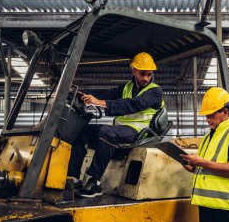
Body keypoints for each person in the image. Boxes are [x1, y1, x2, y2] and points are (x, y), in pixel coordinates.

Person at [68, 52, 164, 198]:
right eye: (142, 74)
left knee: (106, 132)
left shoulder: (155, 92)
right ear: (134, 71)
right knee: (81, 131)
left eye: (149, 75)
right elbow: (106, 93)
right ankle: (73, 178)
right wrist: (80, 93)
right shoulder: (126, 88)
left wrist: (99, 102)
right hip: (122, 129)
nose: (146, 78)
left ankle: (94, 182)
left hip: (139, 131)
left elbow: (133, 105)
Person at [180, 87, 229, 222]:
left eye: (210, 115)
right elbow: (208, 167)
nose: (207, 119)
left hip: (227, 209)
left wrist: (200, 162)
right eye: (206, 115)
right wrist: (193, 167)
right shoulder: (208, 137)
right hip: (207, 206)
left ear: (225, 113)